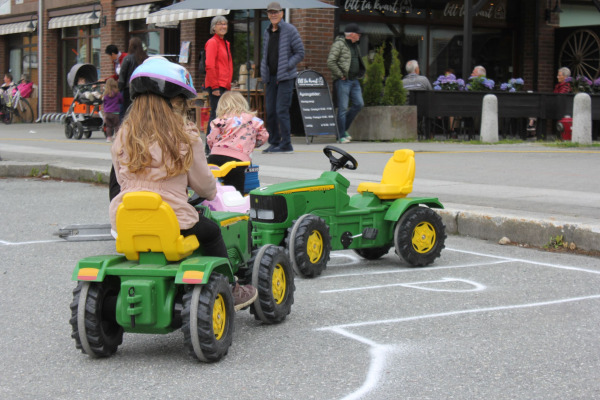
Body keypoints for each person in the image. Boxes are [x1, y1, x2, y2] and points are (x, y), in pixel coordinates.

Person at [109, 57, 257, 310]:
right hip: (171, 219)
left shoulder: (123, 136)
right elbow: (206, 188)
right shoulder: (184, 136)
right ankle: (231, 288)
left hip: (125, 220)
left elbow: (121, 179)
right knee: (210, 230)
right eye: (182, 102)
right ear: (173, 101)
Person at [260, 1, 304, 154]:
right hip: (270, 77)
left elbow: (300, 53)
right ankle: (274, 142)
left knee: (281, 110)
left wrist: (286, 65)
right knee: (270, 111)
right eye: (270, 12)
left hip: (285, 77)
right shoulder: (267, 32)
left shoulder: (290, 30)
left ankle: (286, 144)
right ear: (268, 14)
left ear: (282, 13)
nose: (273, 15)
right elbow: (267, 54)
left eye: (276, 12)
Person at [207, 91, 269, 194]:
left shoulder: (219, 121)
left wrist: (214, 148)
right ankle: (235, 206)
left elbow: (211, 139)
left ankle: (214, 200)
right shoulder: (254, 121)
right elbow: (263, 136)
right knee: (236, 188)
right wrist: (253, 143)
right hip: (238, 159)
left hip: (215, 156)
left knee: (212, 183)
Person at [327, 23, 366, 144]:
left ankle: (342, 131)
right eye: (358, 34)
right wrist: (340, 75)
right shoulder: (339, 44)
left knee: (359, 104)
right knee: (343, 108)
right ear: (352, 35)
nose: (360, 36)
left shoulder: (355, 46)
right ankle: (340, 135)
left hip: (354, 80)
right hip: (344, 81)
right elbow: (331, 61)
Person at [204, 15, 233, 154]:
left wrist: (228, 84)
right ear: (213, 27)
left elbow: (226, 65)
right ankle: (209, 146)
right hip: (216, 84)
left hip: (224, 85)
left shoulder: (225, 43)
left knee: (222, 116)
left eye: (225, 24)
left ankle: (218, 144)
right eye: (220, 24)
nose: (223, 26)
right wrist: (215, 86)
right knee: (215, 115)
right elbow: (209, 65)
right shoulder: (212, 42)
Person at [527, 67, 572, 136]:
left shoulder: (566, 87)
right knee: (537, 107)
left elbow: (560, 97)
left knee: (539, 108)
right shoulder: (558, 86)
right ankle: (532, 124)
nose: (557, 77)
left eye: (559, 75)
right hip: (555, 106)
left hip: (559, 108)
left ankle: (532, 125)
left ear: (565, 77)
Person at [118, 37, 148, 119]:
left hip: (128, 89)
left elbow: (122, 76)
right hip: (143, 89)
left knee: (126, 112)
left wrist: (119, 89)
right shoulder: (145, 58)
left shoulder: (127, 58)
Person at [102, 78, 123, 142]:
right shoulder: (117, 93)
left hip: (107, 112)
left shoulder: (105, 94)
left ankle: (109, 137)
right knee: (116, 125)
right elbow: (121, 101)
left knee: (108, 126)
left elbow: (104, 103)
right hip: (115, 112)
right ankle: (117, 137)